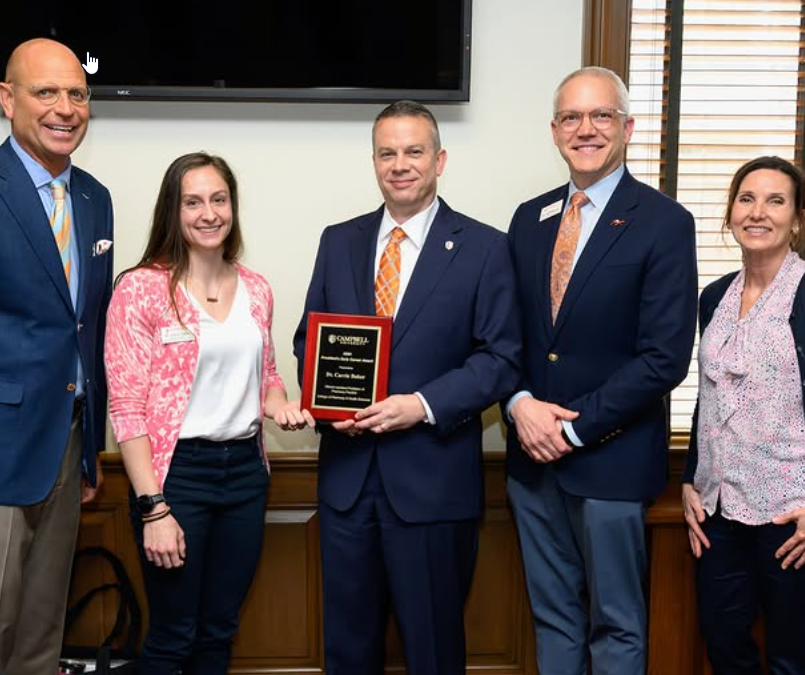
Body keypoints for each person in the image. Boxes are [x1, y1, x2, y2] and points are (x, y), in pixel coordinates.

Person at [293, 100, 521, 674]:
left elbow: (500, 359)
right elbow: (308, 343)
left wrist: (419, 406)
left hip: (432, 484)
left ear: (439, 159)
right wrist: (327, 408)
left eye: (414, 151)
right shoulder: (338, 240)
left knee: (433, 652)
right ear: (373, 161)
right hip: (347, 484)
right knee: (347, 651)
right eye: (387, 153)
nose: (400, 164)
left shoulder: (485, 248)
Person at [505, 66, 698, 674]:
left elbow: (663, 356)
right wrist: (517, 403)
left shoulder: (665, 222)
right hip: (530, 466)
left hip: (610, 461)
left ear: (627, 127)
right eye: (571, 117)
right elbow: (502, 335)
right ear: (554, 130)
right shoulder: (528, 220)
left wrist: (571, 428)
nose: (584, 129)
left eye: (600, 116)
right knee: (554, 620)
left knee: (616, 626)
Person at [104, 152, 311, 675]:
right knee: (174, 637)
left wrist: (280, 404)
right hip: (177, 479)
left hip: (244, 474)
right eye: (192, 202)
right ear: (172, 211)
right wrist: (153, 508)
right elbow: (126, 406)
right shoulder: (141, 289)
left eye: (219, 200)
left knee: (219, 630)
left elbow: (264, 374)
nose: (208, 213)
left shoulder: (257, 288)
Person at [0, 39, 114, 675]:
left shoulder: (95, 198)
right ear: (7, 99)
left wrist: (91, 442)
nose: (65, 108)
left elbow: (85, 329)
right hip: (3, 446)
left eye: (77, 93)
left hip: (69, 450)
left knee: (41, 634)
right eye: (46, 92)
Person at [682, 155, 805, 675]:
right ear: (730, 212)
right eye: (746, 198)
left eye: (776, 201)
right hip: (719, 510)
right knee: (725, 646)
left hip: (790, 516)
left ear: (797, 219)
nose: (758, 212)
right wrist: (690, 479)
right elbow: (709, 399)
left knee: (790, 658)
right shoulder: (714, 296)